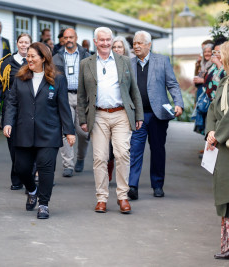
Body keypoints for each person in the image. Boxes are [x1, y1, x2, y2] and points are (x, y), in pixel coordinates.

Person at [3, 42, 75, 219]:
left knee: (46, 168)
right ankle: (32, 190)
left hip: (48, 131)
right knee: (21, 168)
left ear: (43, 58)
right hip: (24, 130)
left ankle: (44, 204)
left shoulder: (57, 78)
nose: (29, 59)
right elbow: (12, 102)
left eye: (33, 56)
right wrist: (7, 122)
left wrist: (69, 131)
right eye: (28, 56)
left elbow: (63, 106)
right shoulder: (20, 78)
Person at [77, 27, 144, 214]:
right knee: (100, 158)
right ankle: (102, 198)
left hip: (121, 114)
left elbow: (134, 90)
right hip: (98, 115)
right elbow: (82, 95)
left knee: (123, 154)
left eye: (108, 40)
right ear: (95, 41)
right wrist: (82, 118)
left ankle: (123, 196)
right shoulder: (86, 63)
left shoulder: (124, 61)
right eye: (102, 40)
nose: (105, 43)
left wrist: (138, 115)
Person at [128, 30, 184, 200]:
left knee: (158, 150)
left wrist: (178, 103)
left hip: (158, 115)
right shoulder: (129, 64)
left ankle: (157, 184)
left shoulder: (162, 61)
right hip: (138, 116)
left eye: (140, 43)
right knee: (135, 151)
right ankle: (132, 186)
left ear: (149, 45)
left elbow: (173, 84)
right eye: (135, 43)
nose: (136, 46)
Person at [0, 33, 32, 190]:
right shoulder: (7, 62)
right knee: (14, 145)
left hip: (30, 110)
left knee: (29, 144)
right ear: (17, 43)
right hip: (11, 109)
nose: (23, 45)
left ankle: (30, 177)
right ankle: (16, 178)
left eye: (26, 42)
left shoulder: (35, 61)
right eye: (21, 42)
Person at [53, 28, 90, 177]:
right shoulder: (57, 57)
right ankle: (68, 164)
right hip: (65, 96)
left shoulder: (86, 55)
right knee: (66, 131)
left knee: (83, 132)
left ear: (76, 38)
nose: (68, 40)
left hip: (82, 97)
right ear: (63, 39)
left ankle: (80, 158)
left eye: (71, 37)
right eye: (66, 37)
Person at [205, 40, 229, 260]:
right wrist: (211, 130)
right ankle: (227, 246)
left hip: (226, 143)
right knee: (224, 193)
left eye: (220, 55)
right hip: (222, 143)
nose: (217, 58)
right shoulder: (224, 80)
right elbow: (213, 107)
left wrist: (218, 135)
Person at [106, 36, 132, 181]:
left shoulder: (129, 64)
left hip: (124, 112)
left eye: (119, 47)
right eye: (114, 47)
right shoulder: (105, 64)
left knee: (123, 149)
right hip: (107, 111)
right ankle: (109, 170)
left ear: (124, 49)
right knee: (108, 148)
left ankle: (125, 179)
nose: (116, 49)